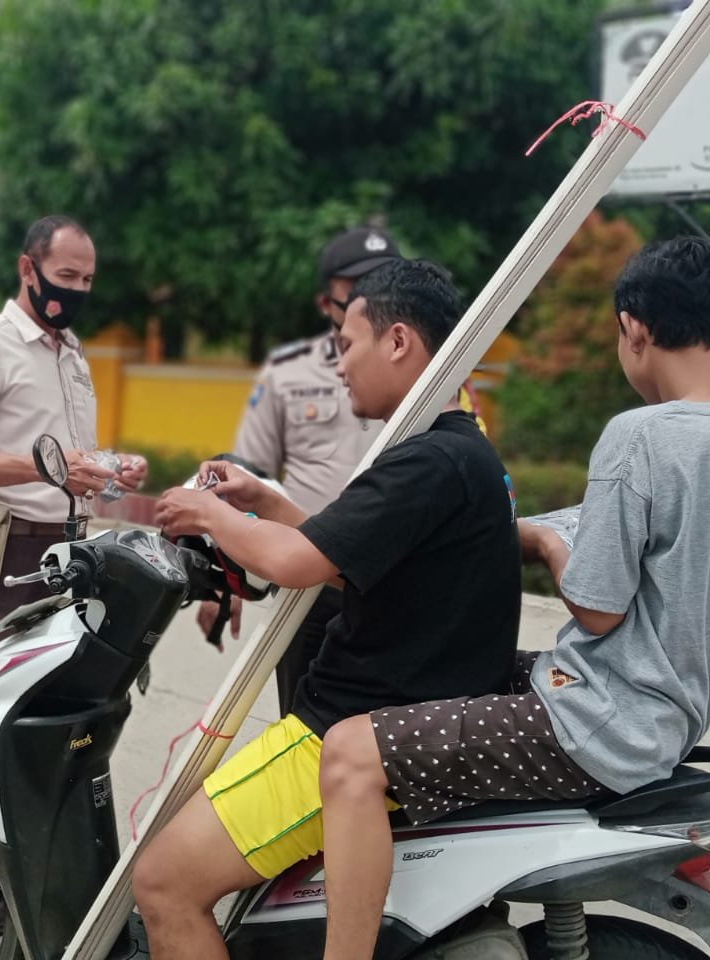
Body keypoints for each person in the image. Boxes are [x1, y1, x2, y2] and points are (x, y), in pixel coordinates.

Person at [315, 235, 710, 960]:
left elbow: (598, 608)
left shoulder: (641, 437)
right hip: (670, 713)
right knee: (472, 661)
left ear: (635, 330)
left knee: (347, 751)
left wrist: (555, 546)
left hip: (602, 720)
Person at [133, 259, 522, 960]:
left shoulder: (425, 461)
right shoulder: (462, 449)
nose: (339, 364)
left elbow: (293, 564)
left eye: (347, 342)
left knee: (161, 882)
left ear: (398, 341)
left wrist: (205, 512)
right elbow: (349, 553)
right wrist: (267, 502)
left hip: (346, 730)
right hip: (401, 717)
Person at [0, 215, 149, 663]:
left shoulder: (72, 353)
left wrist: (111, 470)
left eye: (87, 279)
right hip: (9, 559)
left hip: (75, 554)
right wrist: (46, 470)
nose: (78, 290)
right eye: (66, 276)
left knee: (59, 712)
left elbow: (72, 459)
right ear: (28, 269)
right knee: (3, 714)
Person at [210, 227, 399, 712]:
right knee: (301, 726)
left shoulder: (438, 372)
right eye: (356, 285)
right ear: (325, 302)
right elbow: (244, 478)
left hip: (398, 585)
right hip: (310, 588)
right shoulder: (288, 372)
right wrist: (224, 577)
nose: (371, 296)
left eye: (383, 281)